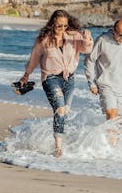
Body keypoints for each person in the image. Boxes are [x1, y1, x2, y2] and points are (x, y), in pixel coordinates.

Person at [19, 10, 94, 157]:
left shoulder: (74, 36)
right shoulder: (44, 40)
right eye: (59, 26)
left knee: (64, 111)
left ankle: (56, 138)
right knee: (60, 109)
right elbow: (34, 59)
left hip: (69, 79)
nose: (62, 29)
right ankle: (58, 148)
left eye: (65, 26)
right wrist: (26, 76)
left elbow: (87, 50)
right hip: (51, 78)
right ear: (53, 24)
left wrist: (86, 39)